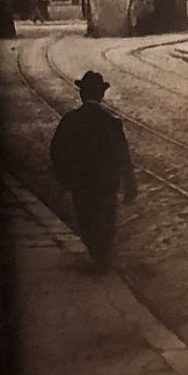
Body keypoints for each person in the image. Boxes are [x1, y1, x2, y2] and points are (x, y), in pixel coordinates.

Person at [48, 70, 136, 271]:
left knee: (86, 217)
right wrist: (130, 183)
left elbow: (57, 149)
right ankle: (103, 255)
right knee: (107, 217)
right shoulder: (112, 123)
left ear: (81, 94)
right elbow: (123, 155)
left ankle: (97, 252)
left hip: (82, 183)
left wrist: (63, 176)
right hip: (107, 182)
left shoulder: (71, 120)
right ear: (102, 95)